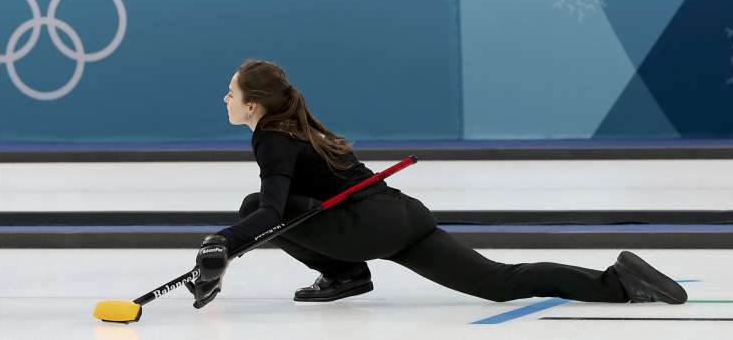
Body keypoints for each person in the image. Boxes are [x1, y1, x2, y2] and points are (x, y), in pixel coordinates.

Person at [185, 59, 688, 309]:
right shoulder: (299, 128)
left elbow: (271, 213)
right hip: (404, 215)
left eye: (229, 93)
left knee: (253, 203)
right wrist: (227, 248)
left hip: (367, 227)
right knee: (498, 282)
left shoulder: (272, 139)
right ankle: (618, 282)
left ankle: (345, 275)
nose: (223, 99)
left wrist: (221, 244)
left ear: (253, 105)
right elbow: (296, 208)